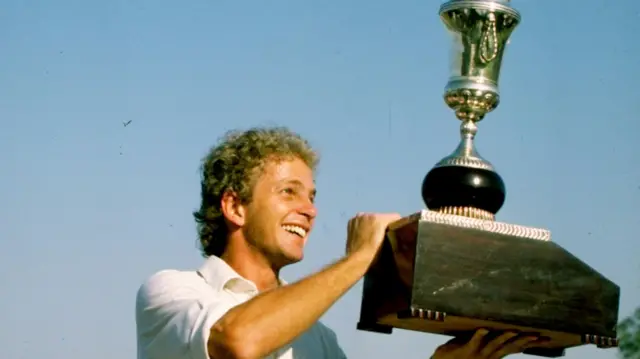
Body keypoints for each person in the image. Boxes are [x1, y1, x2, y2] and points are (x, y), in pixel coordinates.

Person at [135, 126, 543, 359]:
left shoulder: (318, 339)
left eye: (311, 196)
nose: (309, 211)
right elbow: (237, 342)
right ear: (235, 207)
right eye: (289, 192)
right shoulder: (172, 292)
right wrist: (359, 258)